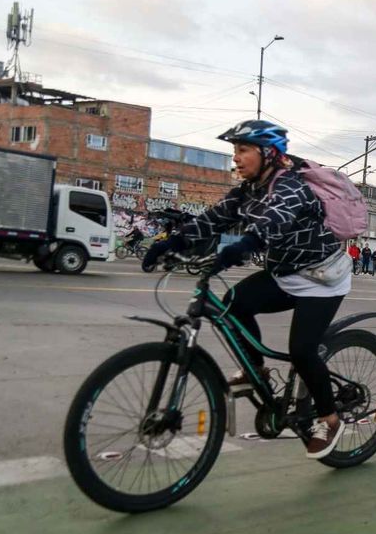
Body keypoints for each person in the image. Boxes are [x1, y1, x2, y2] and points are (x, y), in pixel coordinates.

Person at [141, 119, 350, 459]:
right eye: (234, 151)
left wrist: (241, 247)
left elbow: (273, 223)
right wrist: (170, 242)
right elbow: (213, 219)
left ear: (268, 153)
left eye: (242, 150)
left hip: (322, 278)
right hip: (286, 273)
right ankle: (259, 372)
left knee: (301, 350)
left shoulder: (291, 187)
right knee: (232, 303)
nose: (235, 158)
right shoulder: (248, 190)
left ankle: (329, 419)